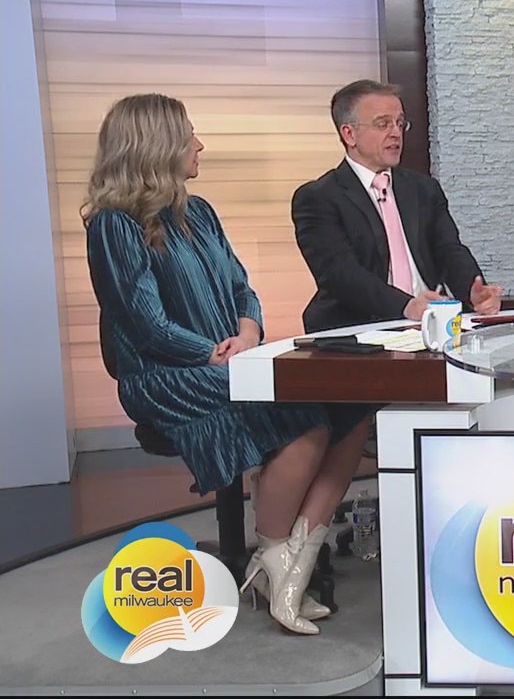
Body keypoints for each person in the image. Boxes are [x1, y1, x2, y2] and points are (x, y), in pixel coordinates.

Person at [84, 94, 372, 636]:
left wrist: (247, 333)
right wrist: (211, 353)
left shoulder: (199, 212)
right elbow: (145, 325)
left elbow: (243, 287)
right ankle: (278, 559)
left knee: (351, 407)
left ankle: (286, 560)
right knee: (303, 416)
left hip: (229, 359)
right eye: (189, 136)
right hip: (166, 376)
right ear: (157, 147)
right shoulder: (114, 225)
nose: (199, 145)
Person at [292, 80, 502, 333]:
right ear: (349, 134)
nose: (395, 133)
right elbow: (340, 274)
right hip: (360, 330)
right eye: (383, 124)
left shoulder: (423, 189)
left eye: (400, 123)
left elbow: (449, 250)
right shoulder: (318, 197)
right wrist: (406, 306)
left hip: (431, 323)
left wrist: (473, 291)